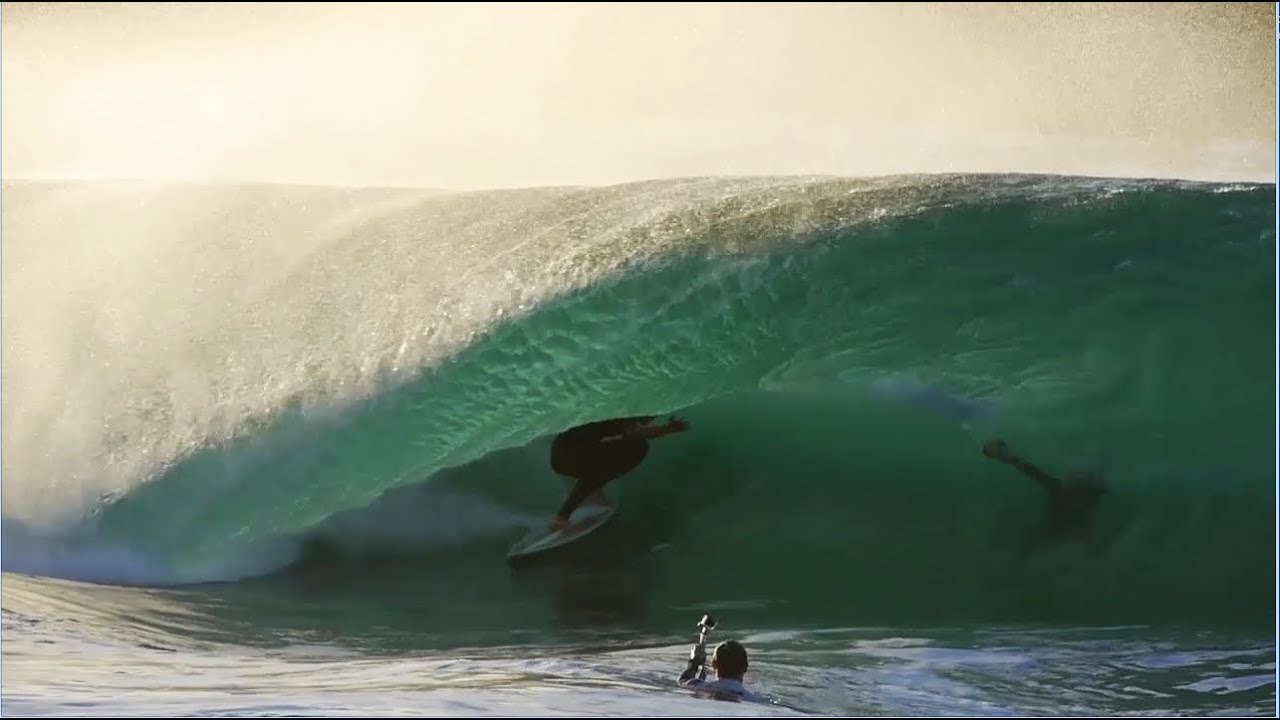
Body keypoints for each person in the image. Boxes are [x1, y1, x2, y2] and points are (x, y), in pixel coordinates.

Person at [547, 415, 689, 531]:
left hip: (561, 451)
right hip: (568, 458)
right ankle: (562, 517)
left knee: (613, 453)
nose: (650, 422)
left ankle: (589, 493)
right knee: (637, 449)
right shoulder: (625, 413)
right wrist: (668, 429)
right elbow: (634, 433)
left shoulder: (617, 404)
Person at [982, 439, 1108, 544]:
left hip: (1067, 525)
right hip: (1065, 524)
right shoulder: (1062, 489)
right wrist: (1006, 455)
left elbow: (1034, 472)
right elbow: (1033, 472)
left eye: (1075, 479)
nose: (1070, 479)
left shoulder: (1067, 491)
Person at [678, 638, 758, 702]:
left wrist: (694, 662)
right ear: (746, 667)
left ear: (713, 664)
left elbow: (682, 682)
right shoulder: (753, 699)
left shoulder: (699, 685)